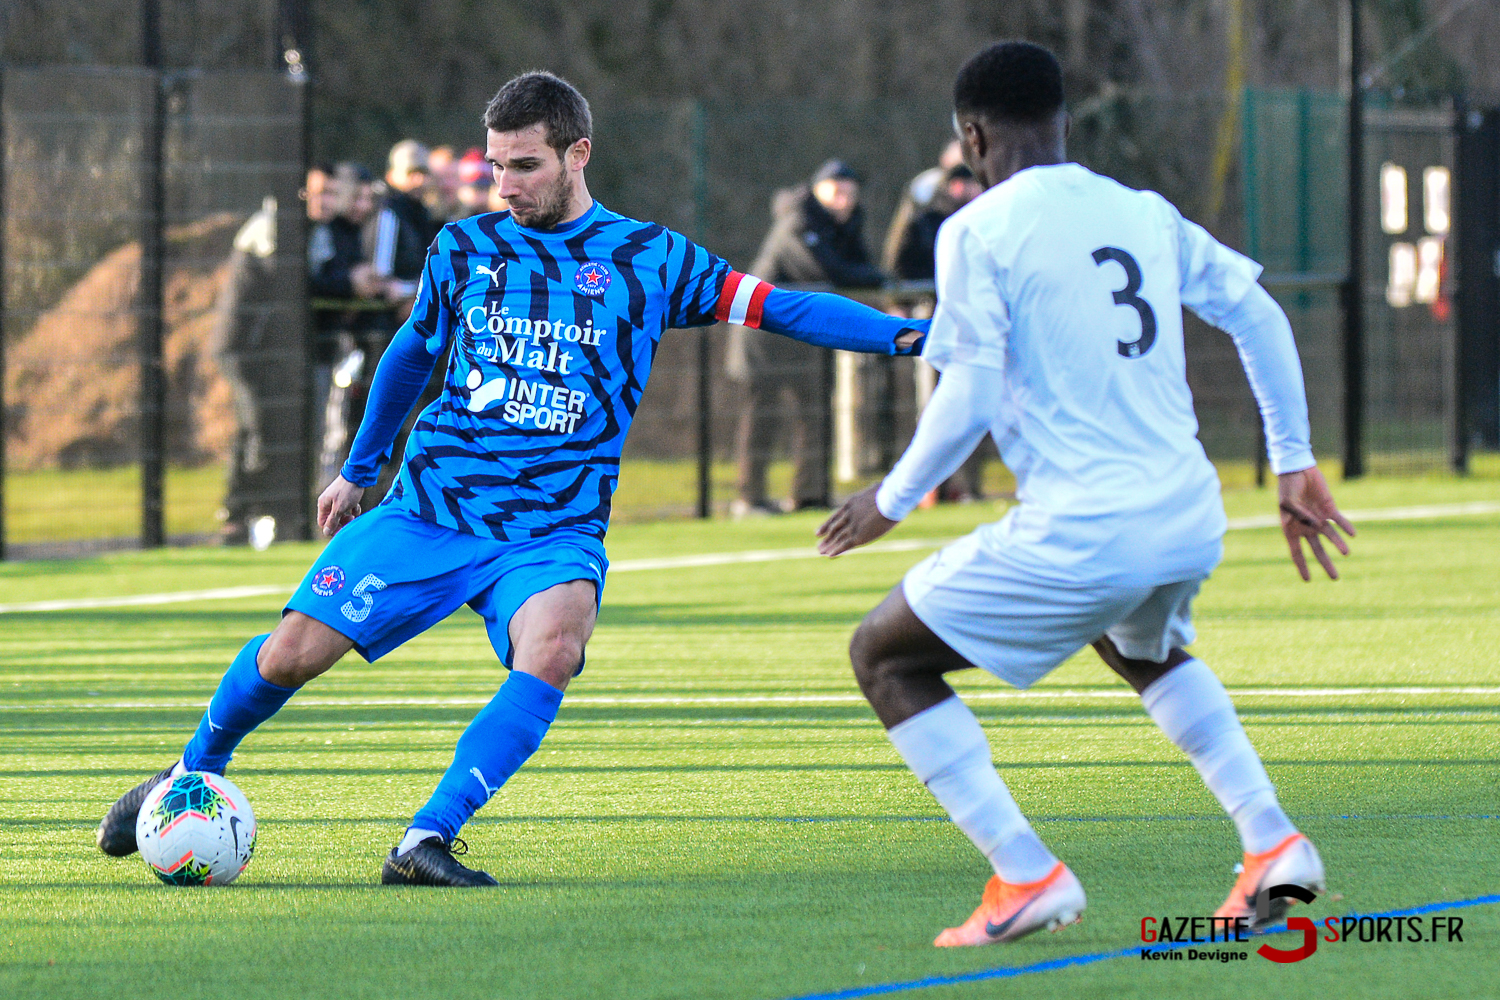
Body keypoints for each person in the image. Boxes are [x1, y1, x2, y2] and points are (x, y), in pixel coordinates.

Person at [95, 71, 927, 887]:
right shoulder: (465, 247)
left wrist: (907, 337)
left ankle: (426, 839)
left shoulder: (651, 258)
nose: (505, 184)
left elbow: (782, 305)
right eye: (494, 166)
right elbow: (412, 351)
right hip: (431, 508)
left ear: (578, 156)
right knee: (288, 657)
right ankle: (185, 776)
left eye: (524, 165)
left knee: (556, 646)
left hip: (552, 530)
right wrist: (358, 470)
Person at [816, 41, 1354, 947]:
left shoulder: (976, 229)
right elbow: (1258, 311)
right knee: (1139, 645)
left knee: (886, 657)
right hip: (1189, 513)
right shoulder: (1142, 210)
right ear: (1064, 121)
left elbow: (971, 393)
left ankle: (1025, 874)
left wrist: (893, 498)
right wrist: (1293, 460)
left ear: (972, 136)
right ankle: (1272, 843)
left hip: (1091, 527)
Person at [729, 159, 885, 516]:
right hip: (763, 330)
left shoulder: (846, 224)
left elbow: (857, 265)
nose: (845, 197)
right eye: (836, 188)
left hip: (803, 334)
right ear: (817, 189)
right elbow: (821, 270)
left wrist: (872, 275)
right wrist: (875, 277)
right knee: (762, 417)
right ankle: (749, 498)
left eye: (850, 190)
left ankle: (810, 494)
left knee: (813, 414)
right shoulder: (797, 221)